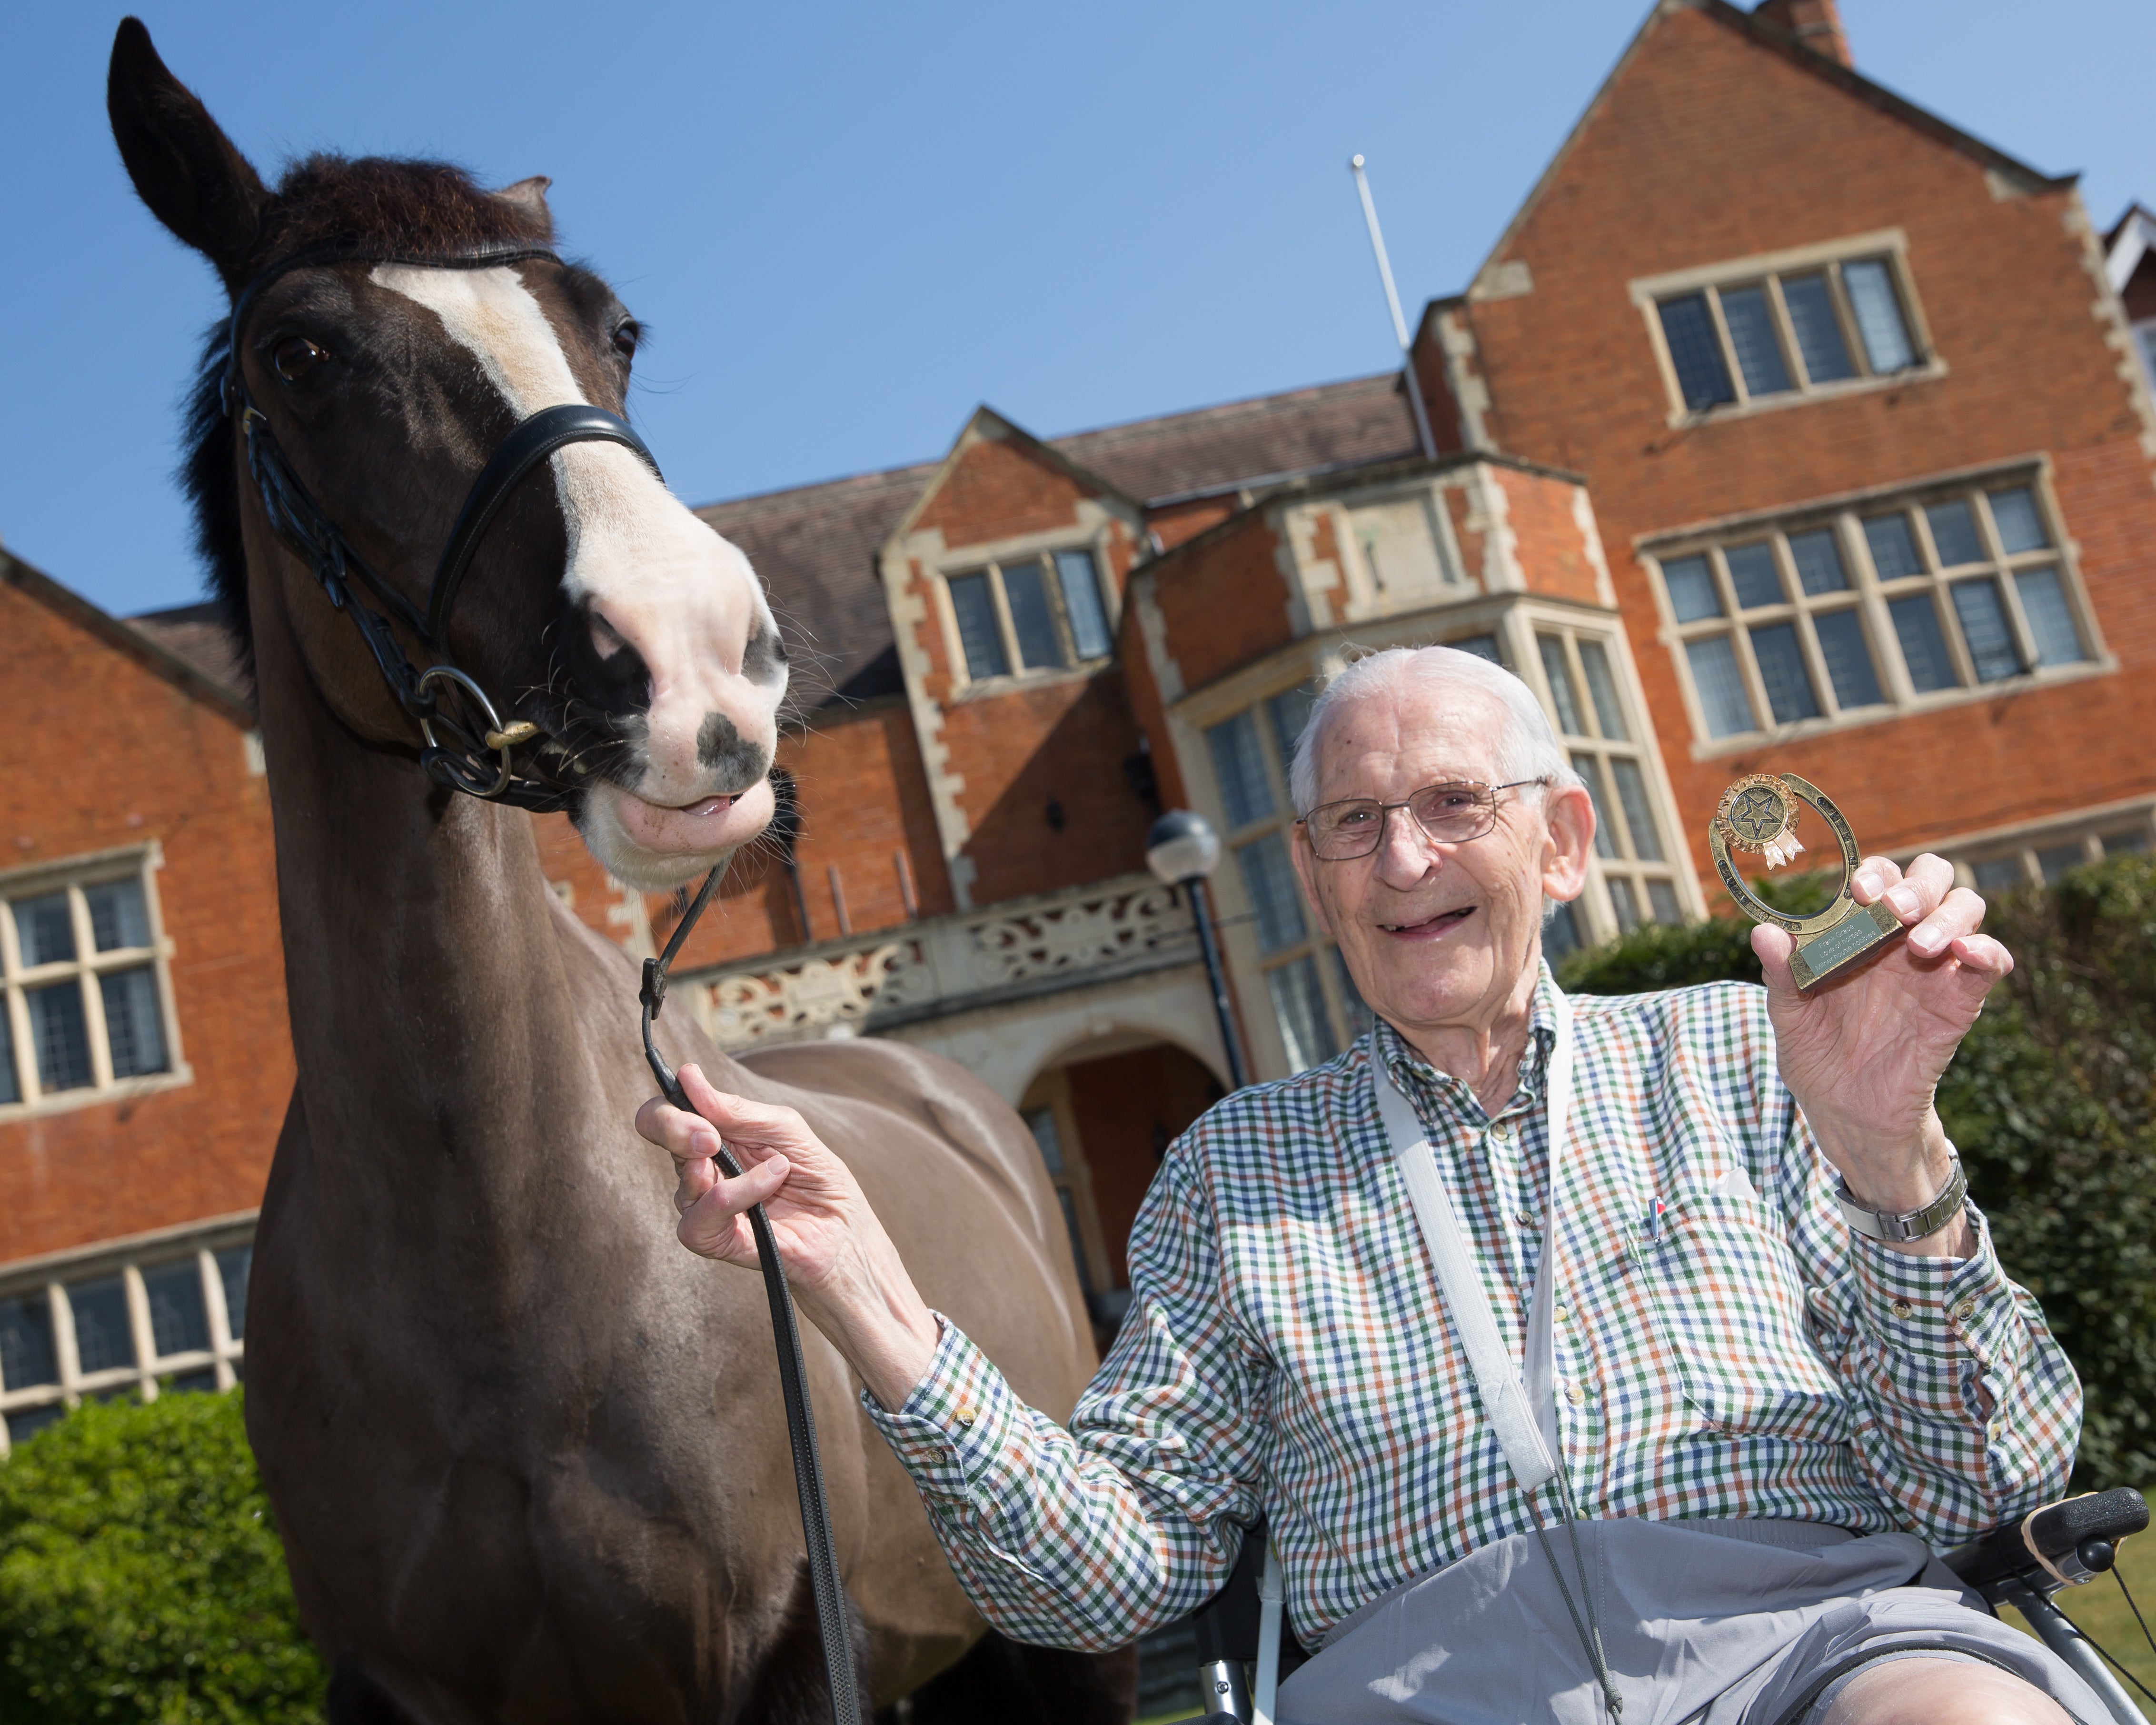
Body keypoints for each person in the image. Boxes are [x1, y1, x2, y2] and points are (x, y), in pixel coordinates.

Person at [637, 645, 2097, 1724]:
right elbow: (1106, 1579)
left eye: (1455, 802)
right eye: (1353, 821)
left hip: (1811, 1647)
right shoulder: (1232, 1171)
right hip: (1427, 1692)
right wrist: (864, 1292)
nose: (1404, 858)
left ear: (1566, 840)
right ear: (1311, 872)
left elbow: (1987, 1483)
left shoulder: (1745, 1053)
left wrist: (1884, 1150)